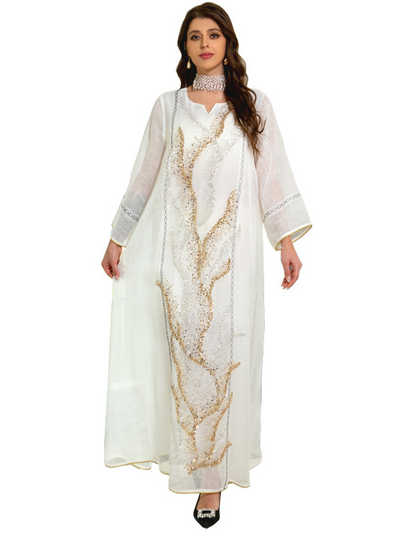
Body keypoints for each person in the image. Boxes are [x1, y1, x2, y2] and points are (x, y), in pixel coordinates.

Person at [101, 2, 312, 528]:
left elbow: (272, 177)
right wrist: (118, 236)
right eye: (194, 36)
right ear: (185, 47)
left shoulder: (253, 105)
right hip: (178, 264)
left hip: (234, 268)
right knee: (185, 362)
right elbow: (144, 175)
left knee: (227, 361)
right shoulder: (168, 107)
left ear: (227, 43)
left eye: (213, 35)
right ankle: (192, 468)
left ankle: (213, 483)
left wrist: (285, 241)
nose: (204, 44)